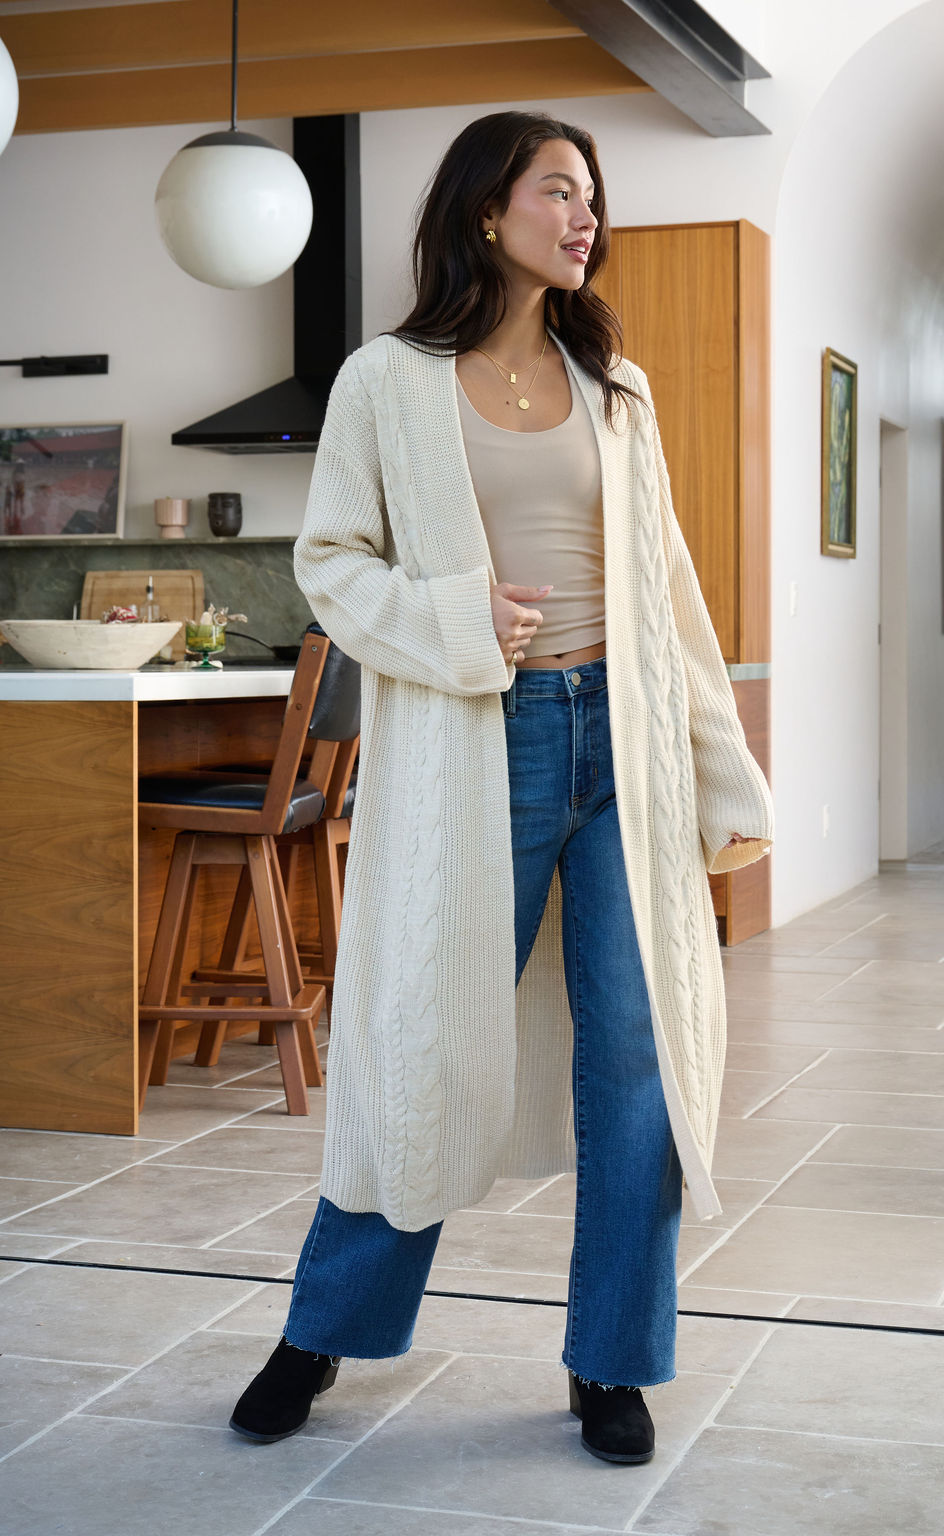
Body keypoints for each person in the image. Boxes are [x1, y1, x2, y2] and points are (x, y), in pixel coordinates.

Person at [230, 110, 773, 1465]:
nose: (585, 219)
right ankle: (321, 1332)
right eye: (560, 194)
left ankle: (614, 1365)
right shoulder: (386, 383)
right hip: (487, 740)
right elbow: (331, 565)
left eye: (593, 199)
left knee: (636, 1066)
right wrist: (460, 617)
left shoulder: (620, 391)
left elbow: (670, 595)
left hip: (623, 750)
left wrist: (719, 768)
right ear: (489, 212)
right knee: (422, 1042)